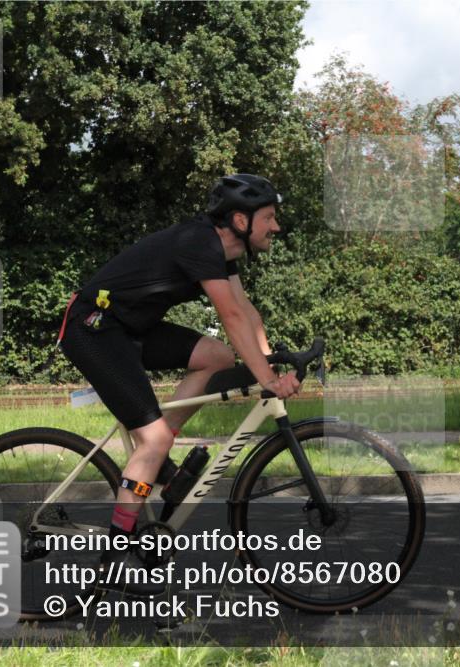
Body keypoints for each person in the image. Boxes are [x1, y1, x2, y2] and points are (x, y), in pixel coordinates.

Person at [57, 174, 300, 592]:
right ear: (240, 219)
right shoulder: (200, 243)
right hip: (93, 327)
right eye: (269, 217)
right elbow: (230, 317)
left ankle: (158, 459)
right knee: (151, 440)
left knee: (217, 358)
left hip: (130, 328)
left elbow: (246, 311)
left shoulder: (223, 250)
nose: (275, 226)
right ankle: (113, 564)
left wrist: (270, 366)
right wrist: (266, 377)